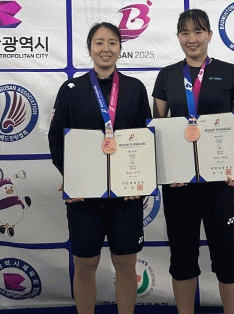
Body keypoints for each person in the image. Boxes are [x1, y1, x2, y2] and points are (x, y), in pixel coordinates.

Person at [152, 8, 234, 314]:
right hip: (180, 185)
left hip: (220, 183)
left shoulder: (230, 72)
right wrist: (166, 169)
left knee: (228, 258)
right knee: (182, 259)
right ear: (178, 37)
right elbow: (158, 127)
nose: (191, 39)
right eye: (185, 33)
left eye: (198, 32)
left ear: (209, 35)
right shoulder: (167, 75)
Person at [49, 22, 152, 314]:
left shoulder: (134, 88)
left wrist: (140, 180)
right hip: (84, 196)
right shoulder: (71, 89)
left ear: (120, 48)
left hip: (126, 196)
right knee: (85, 265)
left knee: (126, 264)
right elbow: (57, 138)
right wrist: (70, 177)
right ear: (89, 48)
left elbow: (145, 137)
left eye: (112, 43)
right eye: (99, 43)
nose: (105, 49)